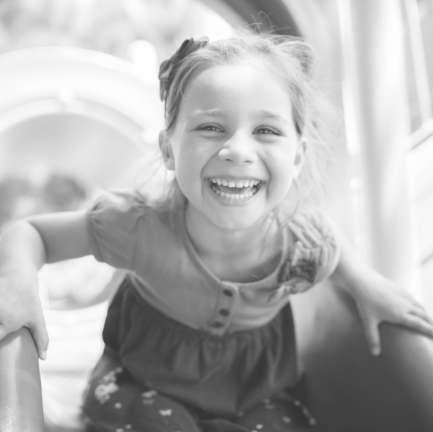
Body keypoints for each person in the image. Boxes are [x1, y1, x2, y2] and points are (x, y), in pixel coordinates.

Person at [0, 32, 432, 432]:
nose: (238, 151)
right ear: (169, 149)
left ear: (297, 156)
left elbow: (332, 245)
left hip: (255, 394)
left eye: (266, 130)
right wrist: (19, 283)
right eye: (210, 127)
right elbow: (29, 233)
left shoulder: (301, 244)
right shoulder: (138, 226)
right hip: (142, 382)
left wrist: (367, 284)